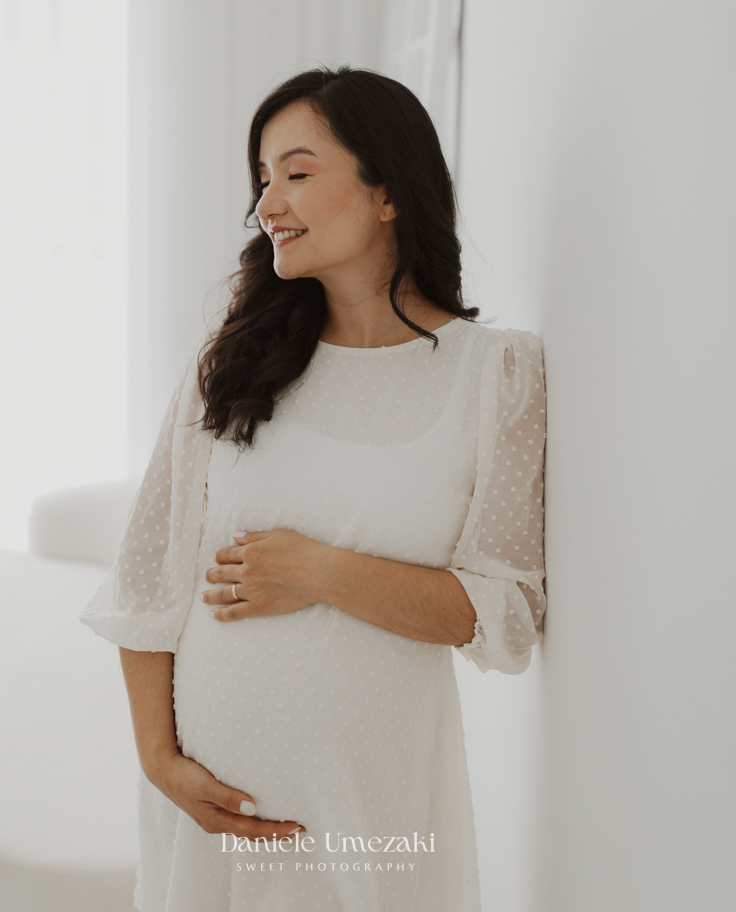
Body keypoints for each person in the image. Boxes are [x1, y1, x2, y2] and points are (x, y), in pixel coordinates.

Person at [79, 66, 547, 912]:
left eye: (297, 173)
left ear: (387, 194)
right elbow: (147, 580)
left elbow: (508, 617)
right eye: (262, 180)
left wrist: (322, 571)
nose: (268, 203)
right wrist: (161, 762)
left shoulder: (496, 375)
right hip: (211, 814)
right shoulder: (231, 366)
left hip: (376, 808)